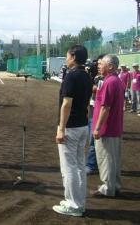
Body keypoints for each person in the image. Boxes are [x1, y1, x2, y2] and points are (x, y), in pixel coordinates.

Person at [53, 45, 92, 217]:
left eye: (67, 55)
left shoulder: (71, 76)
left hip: (71, 127)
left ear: (73, 56)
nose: (66, 58)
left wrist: (61, 129)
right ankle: (78, 202)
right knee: (78, 167)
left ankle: (73, 204)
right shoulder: (87, 76)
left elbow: (66, 104)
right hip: (82, 125)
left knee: (69, 167)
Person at [91, 55, 125, 197]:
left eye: (101, 64)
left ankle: (107, 188)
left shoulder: (109, 82)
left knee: (106, 159)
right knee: (113, 159)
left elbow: (105, 107)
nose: (99, 66)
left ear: (111, 66)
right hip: (114, 127)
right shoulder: (116, 81)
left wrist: (97, 128)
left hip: (107, 128)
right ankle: (114, 185)